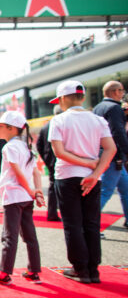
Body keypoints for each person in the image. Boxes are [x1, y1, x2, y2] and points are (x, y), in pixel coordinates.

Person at [49, 80, 115, 284]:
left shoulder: (59, 120)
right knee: (92, 223)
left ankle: (80, 269)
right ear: (82, 97)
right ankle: (93, 270)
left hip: (68, 176)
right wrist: (94, 172)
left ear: (62, 99)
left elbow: (59, 152)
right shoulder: (98, 120)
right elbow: (111, 149)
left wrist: (83, 163)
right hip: (93, 178)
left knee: (73, 224)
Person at [0, 111, 45, 285]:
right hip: (25, 198)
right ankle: (33, 271)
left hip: (14, 196)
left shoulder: (10, 147)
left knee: (9, 236)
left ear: (11, 129)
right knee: (29, 235)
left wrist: (32, 191)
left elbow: (17, 173)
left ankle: (4, 273)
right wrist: (37, 191)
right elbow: (35, 172)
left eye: (0, 127)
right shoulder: (26, 147)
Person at [93, 81, 128, 233]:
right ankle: (90, 225)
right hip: (113, 156)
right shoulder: (114, 108)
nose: (123, 93)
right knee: (105, 191)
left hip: (103, 154)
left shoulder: (97, 108)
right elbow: (118, 132)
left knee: (125, 189)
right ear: (115, 92)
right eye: (121, 90)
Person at [36, 105, 63, 222]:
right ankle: (56, 211)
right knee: (64, 186)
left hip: (50, 160)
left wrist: (46, 157)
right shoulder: (61, 124)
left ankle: (52, 212)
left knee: (53, 186)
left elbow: (39, 145)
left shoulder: (45, 126)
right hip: (61, 159)